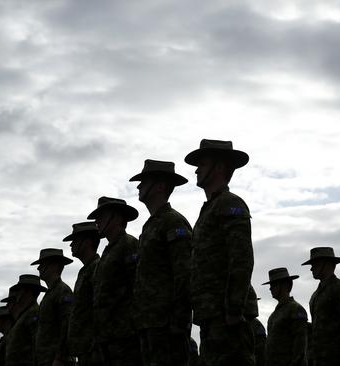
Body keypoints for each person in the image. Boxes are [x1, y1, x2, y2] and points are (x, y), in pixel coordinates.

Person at [184, 139, 255, 365]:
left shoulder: (230, 204)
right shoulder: (210, 209)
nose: (197, 169)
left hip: (226, 318)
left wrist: (234, 309)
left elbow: (241, 258)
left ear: (220, 167)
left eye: (203, 164)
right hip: (210, 317)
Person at [129, 159, 192, 366]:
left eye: (144, 181)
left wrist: (179, 323)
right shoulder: (150, 227)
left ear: (160, 186)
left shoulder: (173, 222)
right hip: (149, 325)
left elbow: (184, 274)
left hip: (167, 327)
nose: (139, 186)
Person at [87, 196, 141, 365]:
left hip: (126, 336)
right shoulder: (108, 251)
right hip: (107, 336)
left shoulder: (129, 245)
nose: (97, 222)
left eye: (101, 217)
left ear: (116, 218)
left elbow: (138, 286)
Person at [302, 247, 340, 366]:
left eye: (315, 264)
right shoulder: (315, 295)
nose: (311, 268)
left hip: (337, 356)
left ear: (326, 264)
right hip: (320, 357)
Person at [64, 221, 103, 366]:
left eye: (75, 240)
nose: (71, 245)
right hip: (85, 348)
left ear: (87, 242)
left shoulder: (97, 268)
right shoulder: (85, 271)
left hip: (94, 347)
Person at [31, 248, 74, 366]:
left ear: (54, 266)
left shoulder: (62, 291)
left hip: (57, 361)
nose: (39, 268)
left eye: (42, 264)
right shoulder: (49, 295)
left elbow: (67, 326)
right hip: (46, 360)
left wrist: (60, 358)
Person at [262, 267, 307, 366]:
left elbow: (300, 345)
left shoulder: (295, 309)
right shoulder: (274, 315)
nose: (270, 288)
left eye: (273, 285)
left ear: (285, 285)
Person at [5, 274, 47, 366]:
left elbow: (37, 344)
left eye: (20, 290)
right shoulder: (25, 314)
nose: (17, 294)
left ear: (27, 291)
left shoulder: (34, 312)